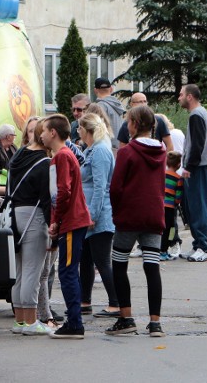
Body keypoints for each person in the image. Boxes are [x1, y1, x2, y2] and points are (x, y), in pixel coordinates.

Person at [106, 104, 166, 337]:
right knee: (152, 268)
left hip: (129, 217)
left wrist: (117, 212)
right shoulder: (161, 151)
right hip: (153, 215)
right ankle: (155, 322)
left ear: (134, 124)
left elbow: (116, 187)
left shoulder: (127, 152)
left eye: (128, 121)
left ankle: (126, 317)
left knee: (119, 265)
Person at [39, 114, 92, 339]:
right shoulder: (65, 155)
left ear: (53, 133)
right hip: (73, 220)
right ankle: (74, 320)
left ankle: (74, 323)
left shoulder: (61, 156)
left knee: (67, 272)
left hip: (71, 220)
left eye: (43, 130)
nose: (40, 135)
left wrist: (56, 220)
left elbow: (63, 192)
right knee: (69, 271)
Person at [7, 115, 52, 336]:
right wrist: (54, 225)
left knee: (20, 271)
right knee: (33, 270)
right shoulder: (43, 161)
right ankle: (32, 321)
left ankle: (20, 321)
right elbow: (46, 198)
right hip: (34, 214)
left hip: (14, 214)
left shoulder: (18, 156)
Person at [76, 113, 119, 320]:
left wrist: (92, 215)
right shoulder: (91, 149)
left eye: (80, 129)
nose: (78, 132)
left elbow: (101, 186)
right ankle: (85, 301)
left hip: (99, 215)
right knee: (85, 259)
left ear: (87, 130)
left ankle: (115, 303)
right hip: (89, 214)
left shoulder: (100, 150)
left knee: (102, 260)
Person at [177, 84, 207, 263]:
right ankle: (198, 244)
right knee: (196, 206)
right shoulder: (203, 113)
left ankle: (203, 247)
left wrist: (188, 167)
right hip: (201, 166)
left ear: (190, 97)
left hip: (198, 168)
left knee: (198, 207)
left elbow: (197, 145)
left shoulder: (196, 115)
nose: (179, 98)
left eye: (181, 94)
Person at [161, 151, 184, 261]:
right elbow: (178, 196)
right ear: (179, 165)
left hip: (160, 206)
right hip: (170, 209)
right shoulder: (178, 179)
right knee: (170, 230)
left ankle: (158, 250)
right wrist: (176, 202)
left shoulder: (161, 175)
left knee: (160, 229)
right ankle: (164, 250)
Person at [93, 78, 125, 153]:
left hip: (106, 149)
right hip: (119, 147)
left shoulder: (100, 106)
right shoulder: (118, 105)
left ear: (95, 90)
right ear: (111, 89)